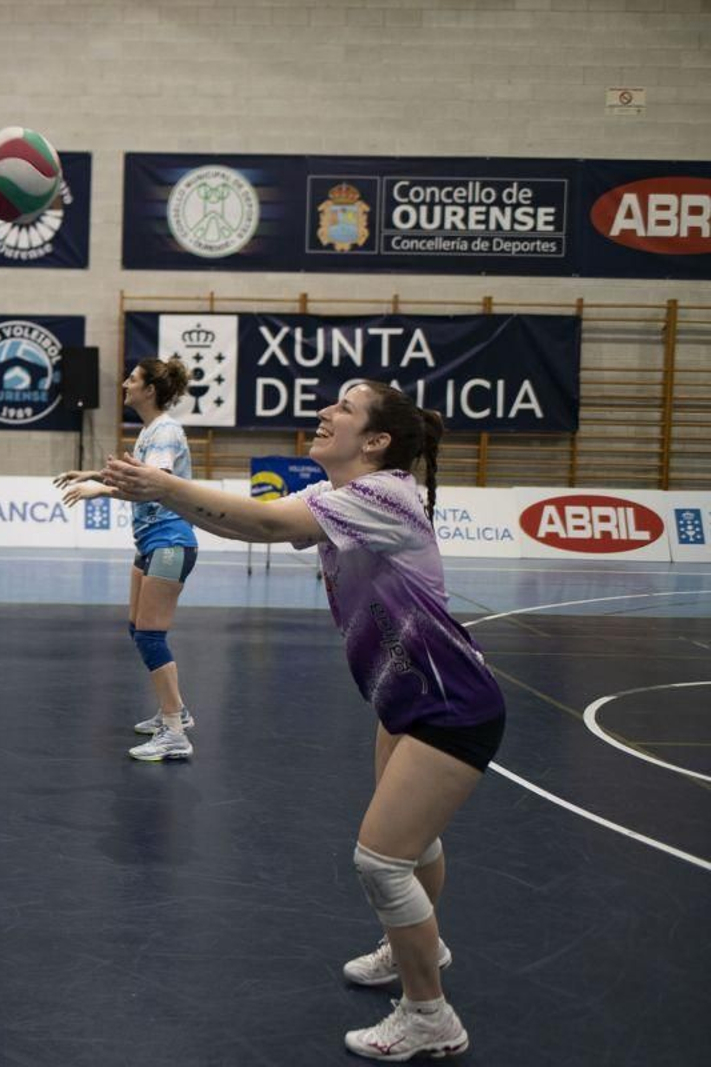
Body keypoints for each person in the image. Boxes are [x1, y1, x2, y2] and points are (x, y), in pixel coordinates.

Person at [99, 380, 505, 1061]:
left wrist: (162, 487)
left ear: (375, 441)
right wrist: (162, 492)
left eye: (344, 408)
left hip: (450, 702)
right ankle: (414, 944)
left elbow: (263, 525)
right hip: (405, 698)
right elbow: (248, 522)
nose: (323, 411)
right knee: (414, 845)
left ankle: (430, 1015)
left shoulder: (385, 495)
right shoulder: (342, 496)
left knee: (381, 862)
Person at [54, 357, 199, 761]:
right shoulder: (151, 431)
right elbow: (138, 476)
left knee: (151, 635)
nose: (124, 384)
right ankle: (176, 710)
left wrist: (100, 492)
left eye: (132, 379)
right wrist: (92, 474)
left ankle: (175, 733)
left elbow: (154, 484)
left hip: (170, 541)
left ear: (149, 390)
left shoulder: (166, 431)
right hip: (150, 542)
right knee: (138, 628)